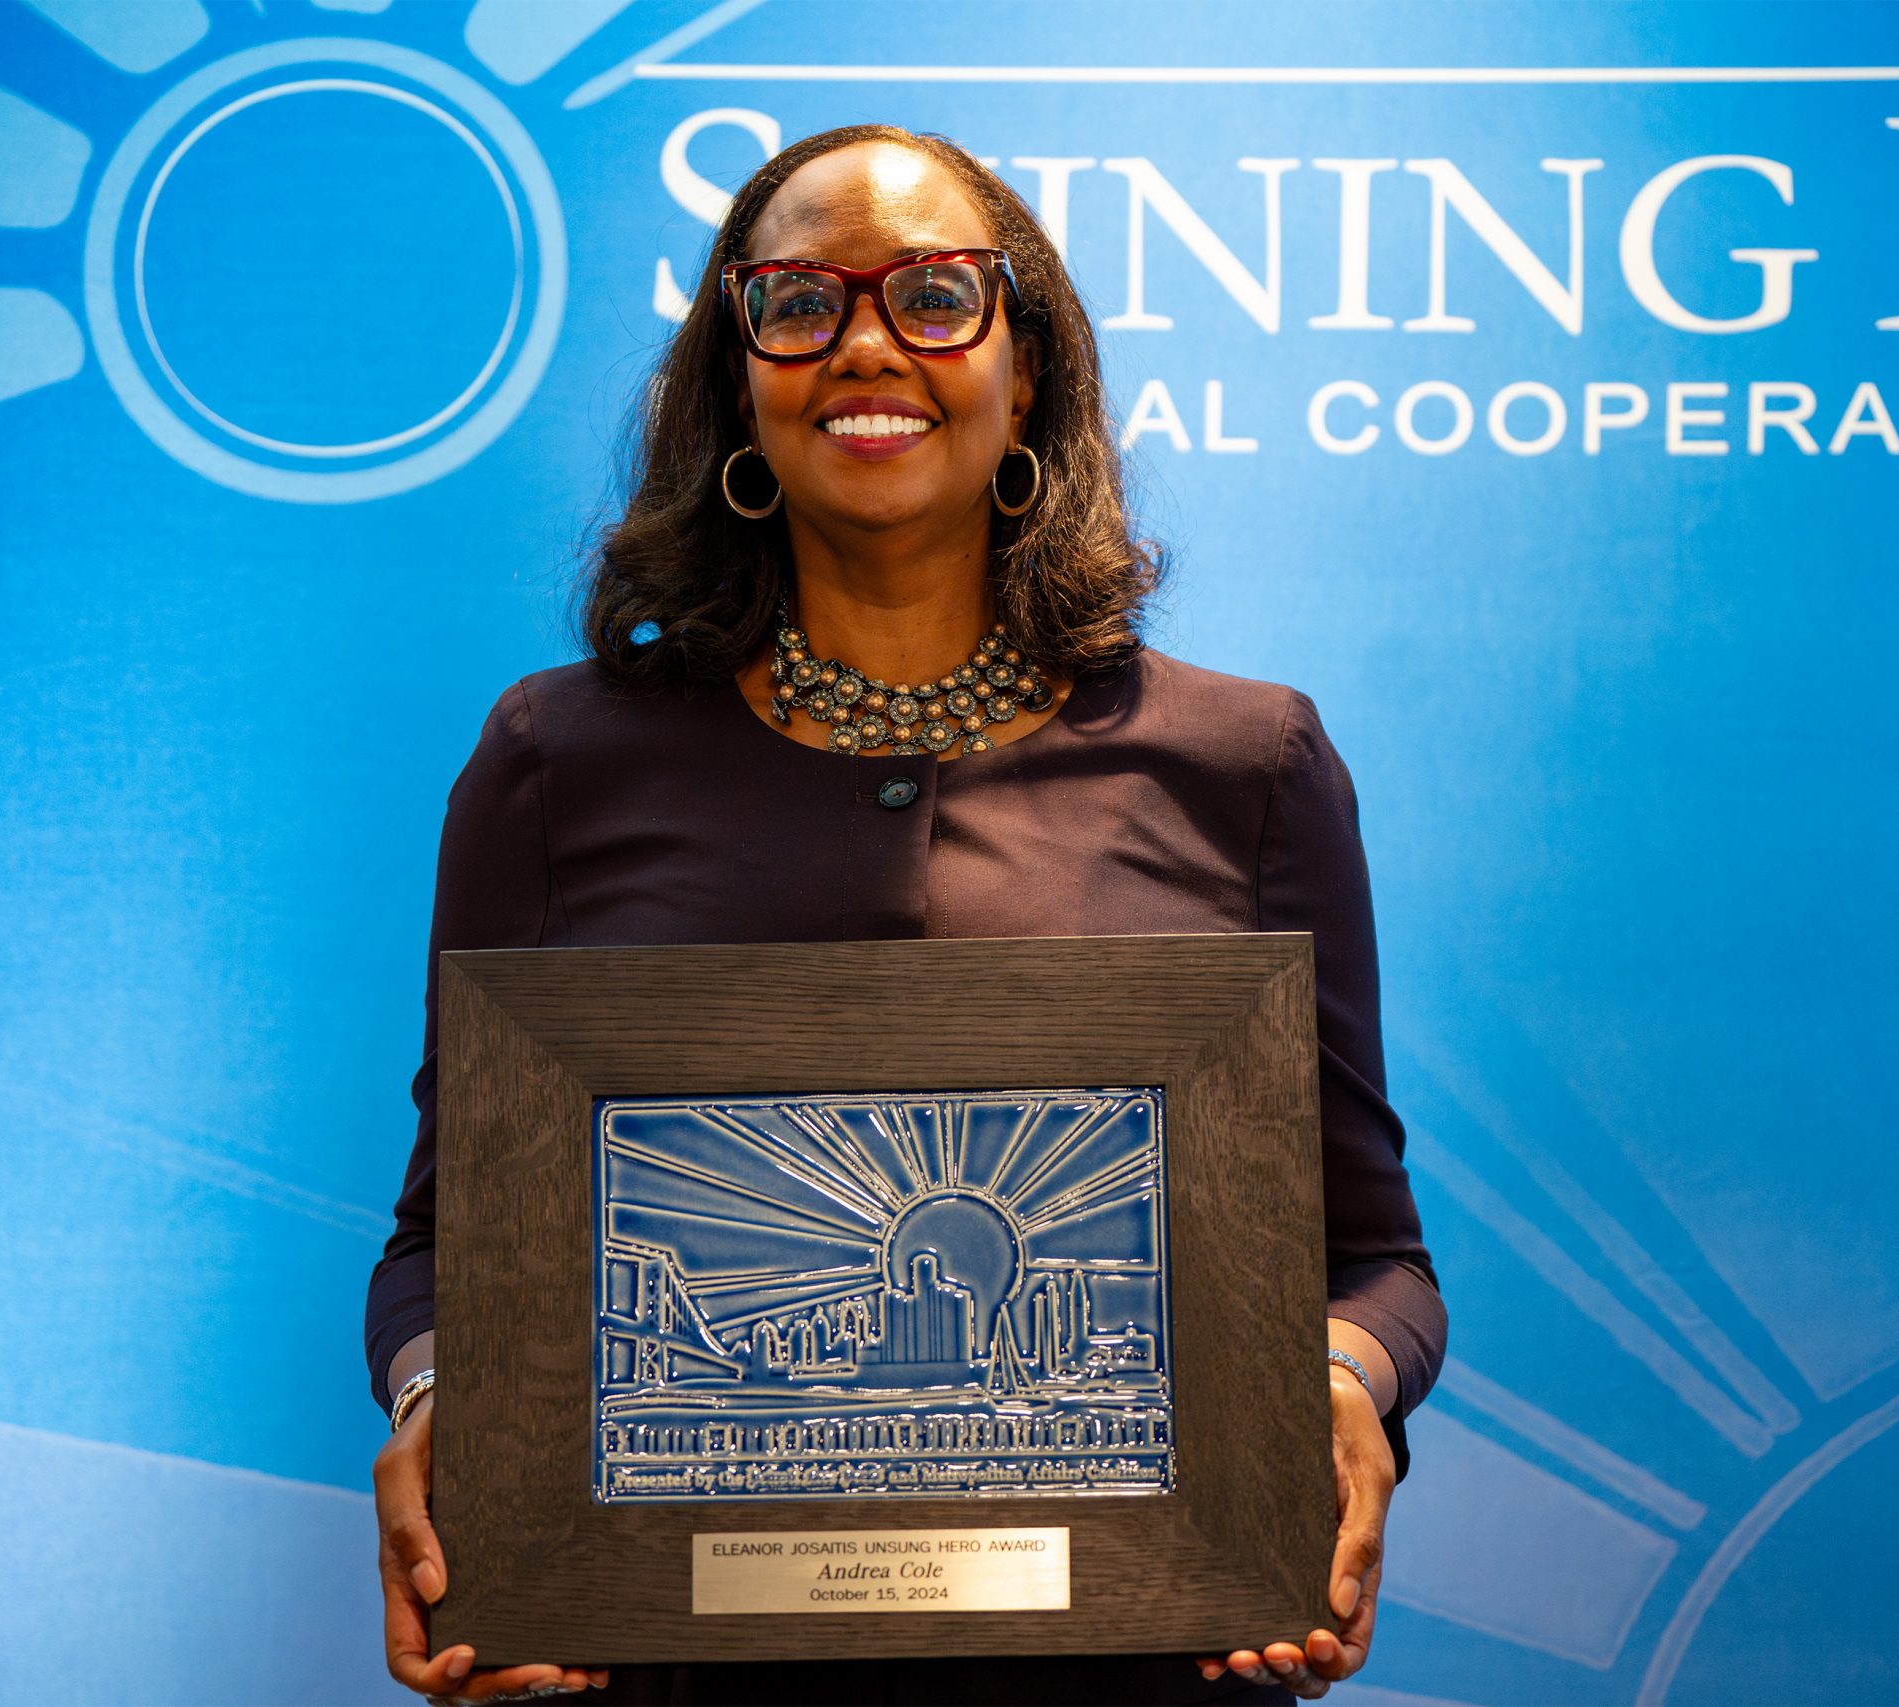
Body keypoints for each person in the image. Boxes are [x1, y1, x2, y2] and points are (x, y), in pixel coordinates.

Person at [365, 123, 1446, 1707]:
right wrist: (438, 1401)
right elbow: (440, 1249)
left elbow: (1377, 1262)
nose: (866, 342)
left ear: (1031, 371)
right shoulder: (553, 761)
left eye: (938, 295)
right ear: (739, 377)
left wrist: (1337, 1385)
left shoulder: (1246, 764)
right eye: (799, 302)